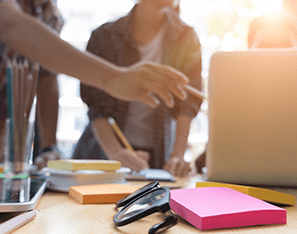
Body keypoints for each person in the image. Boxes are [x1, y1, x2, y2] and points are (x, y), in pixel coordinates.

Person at [0, 0, 189, 161]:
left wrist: (50, 147)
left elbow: (47, 77)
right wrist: (115, 78)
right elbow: (11, 25)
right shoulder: (105, 35)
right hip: (98, 153)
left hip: (155, 154)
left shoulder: (50, 12)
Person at [72, 0, 203, 177]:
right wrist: (116, 153)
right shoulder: (104, 36)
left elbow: (187, 103)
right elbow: (96, 105)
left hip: (156, 156)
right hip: (102, 152)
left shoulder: (185, 37)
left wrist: (177, 157)